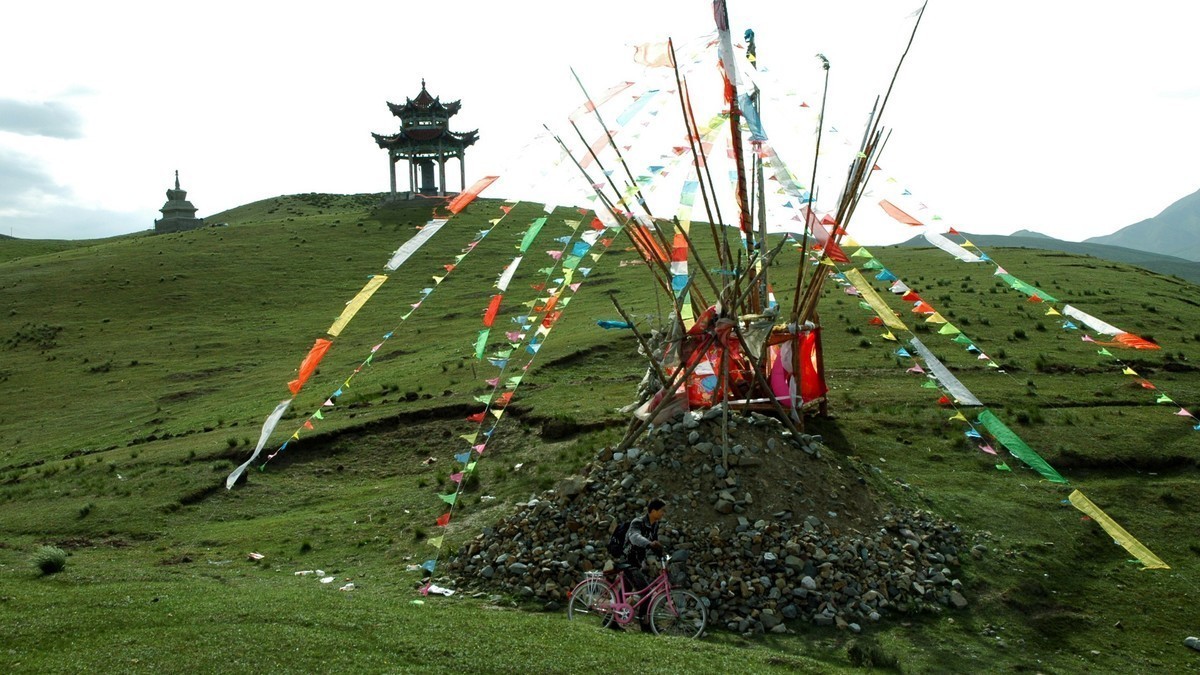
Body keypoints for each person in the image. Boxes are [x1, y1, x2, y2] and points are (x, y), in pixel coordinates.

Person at [620, 498, 666, 630]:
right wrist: (649, 543)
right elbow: (634, 537)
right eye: (662, 510)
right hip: (628, 561)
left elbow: (655, 543)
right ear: (653, 511)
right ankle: (645, 625)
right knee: (646, 593)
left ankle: (611, 621)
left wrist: (662, 554)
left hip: (637, 562)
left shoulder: (655, 525)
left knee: (624, 593)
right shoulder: (638, 522)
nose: (663, 513)